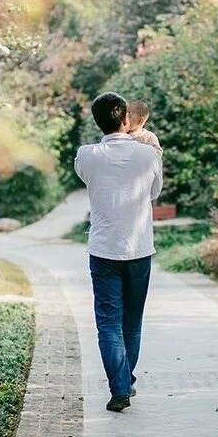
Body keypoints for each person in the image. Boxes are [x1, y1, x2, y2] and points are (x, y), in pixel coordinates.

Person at [74, 92, 163, 412]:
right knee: (132, 322)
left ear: (98, 122)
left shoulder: (87, 155)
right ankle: (126, 382)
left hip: (103, 251)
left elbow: (86, 179)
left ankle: (120, 388)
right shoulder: (149, 155)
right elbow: (154, 192)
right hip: (139, 249)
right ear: (126, 119)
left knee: (109, 323)